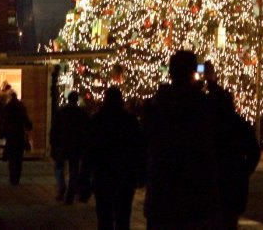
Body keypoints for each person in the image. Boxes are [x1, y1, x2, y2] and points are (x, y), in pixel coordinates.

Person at [143, 49, 220, 229]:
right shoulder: (201, 104)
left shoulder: (156, 105)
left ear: (170, 73)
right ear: (193, 72)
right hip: (193, 192)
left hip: (162, 193)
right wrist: (212, 84)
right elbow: (222, 119)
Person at [205, 65, 261, 230]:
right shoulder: (239, 124)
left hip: (213, 183)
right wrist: (243, 171)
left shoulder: (209, 124)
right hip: (233, 183)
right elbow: (254, 152)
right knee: (229, 221)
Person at [85, 86, 145, 230]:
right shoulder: (130, 120)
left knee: (104, 216)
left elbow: (89, 149)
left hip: (103, 174)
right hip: (125, 175)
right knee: (123, 216)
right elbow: (139, 147)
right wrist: (140, 173)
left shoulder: (97, 120)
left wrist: (85, 175)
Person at [51, 89, 90, 203]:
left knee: (59, 167)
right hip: (76, 145)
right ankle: (71, 193)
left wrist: (53, 143)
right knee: (74, 170)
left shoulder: (61, 112)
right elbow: (86, 130)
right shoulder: (81, 113)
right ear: (77, 99)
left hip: (62, 144)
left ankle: (61, 187)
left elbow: (55, 129)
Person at [0, 90, 33, 185]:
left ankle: (12, 177)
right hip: (19, 134)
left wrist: (3, 133)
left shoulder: (8, 107)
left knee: (12, 157)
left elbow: (3, 120)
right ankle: (16, 177)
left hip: (11, 135)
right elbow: (25, 119)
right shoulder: (20, 106)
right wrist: (29, 126)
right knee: (18, 158)